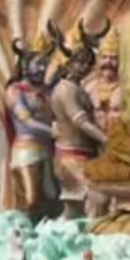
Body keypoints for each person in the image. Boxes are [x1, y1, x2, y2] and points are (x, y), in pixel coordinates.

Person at [48, 21, 111, 219]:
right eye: (80, 62)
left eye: (88, 63)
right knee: (98, 198)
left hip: (82, 155)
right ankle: (91, 242)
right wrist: (106, 139)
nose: (84, 67)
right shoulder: (65, 89)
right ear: (68, 62)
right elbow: (80, 121)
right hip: (72, 158)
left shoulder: (77, 88)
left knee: (74, 209)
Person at [5, 34, 57, 215]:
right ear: (26, 66)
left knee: (51, 199)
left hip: (48, 151)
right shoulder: (15, 91)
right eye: (38, 64)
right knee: (30, 199)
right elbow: (27, 121)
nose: (43, 68)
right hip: (26, 151)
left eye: (45, 64)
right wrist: (52, 131)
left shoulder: (48, 91)